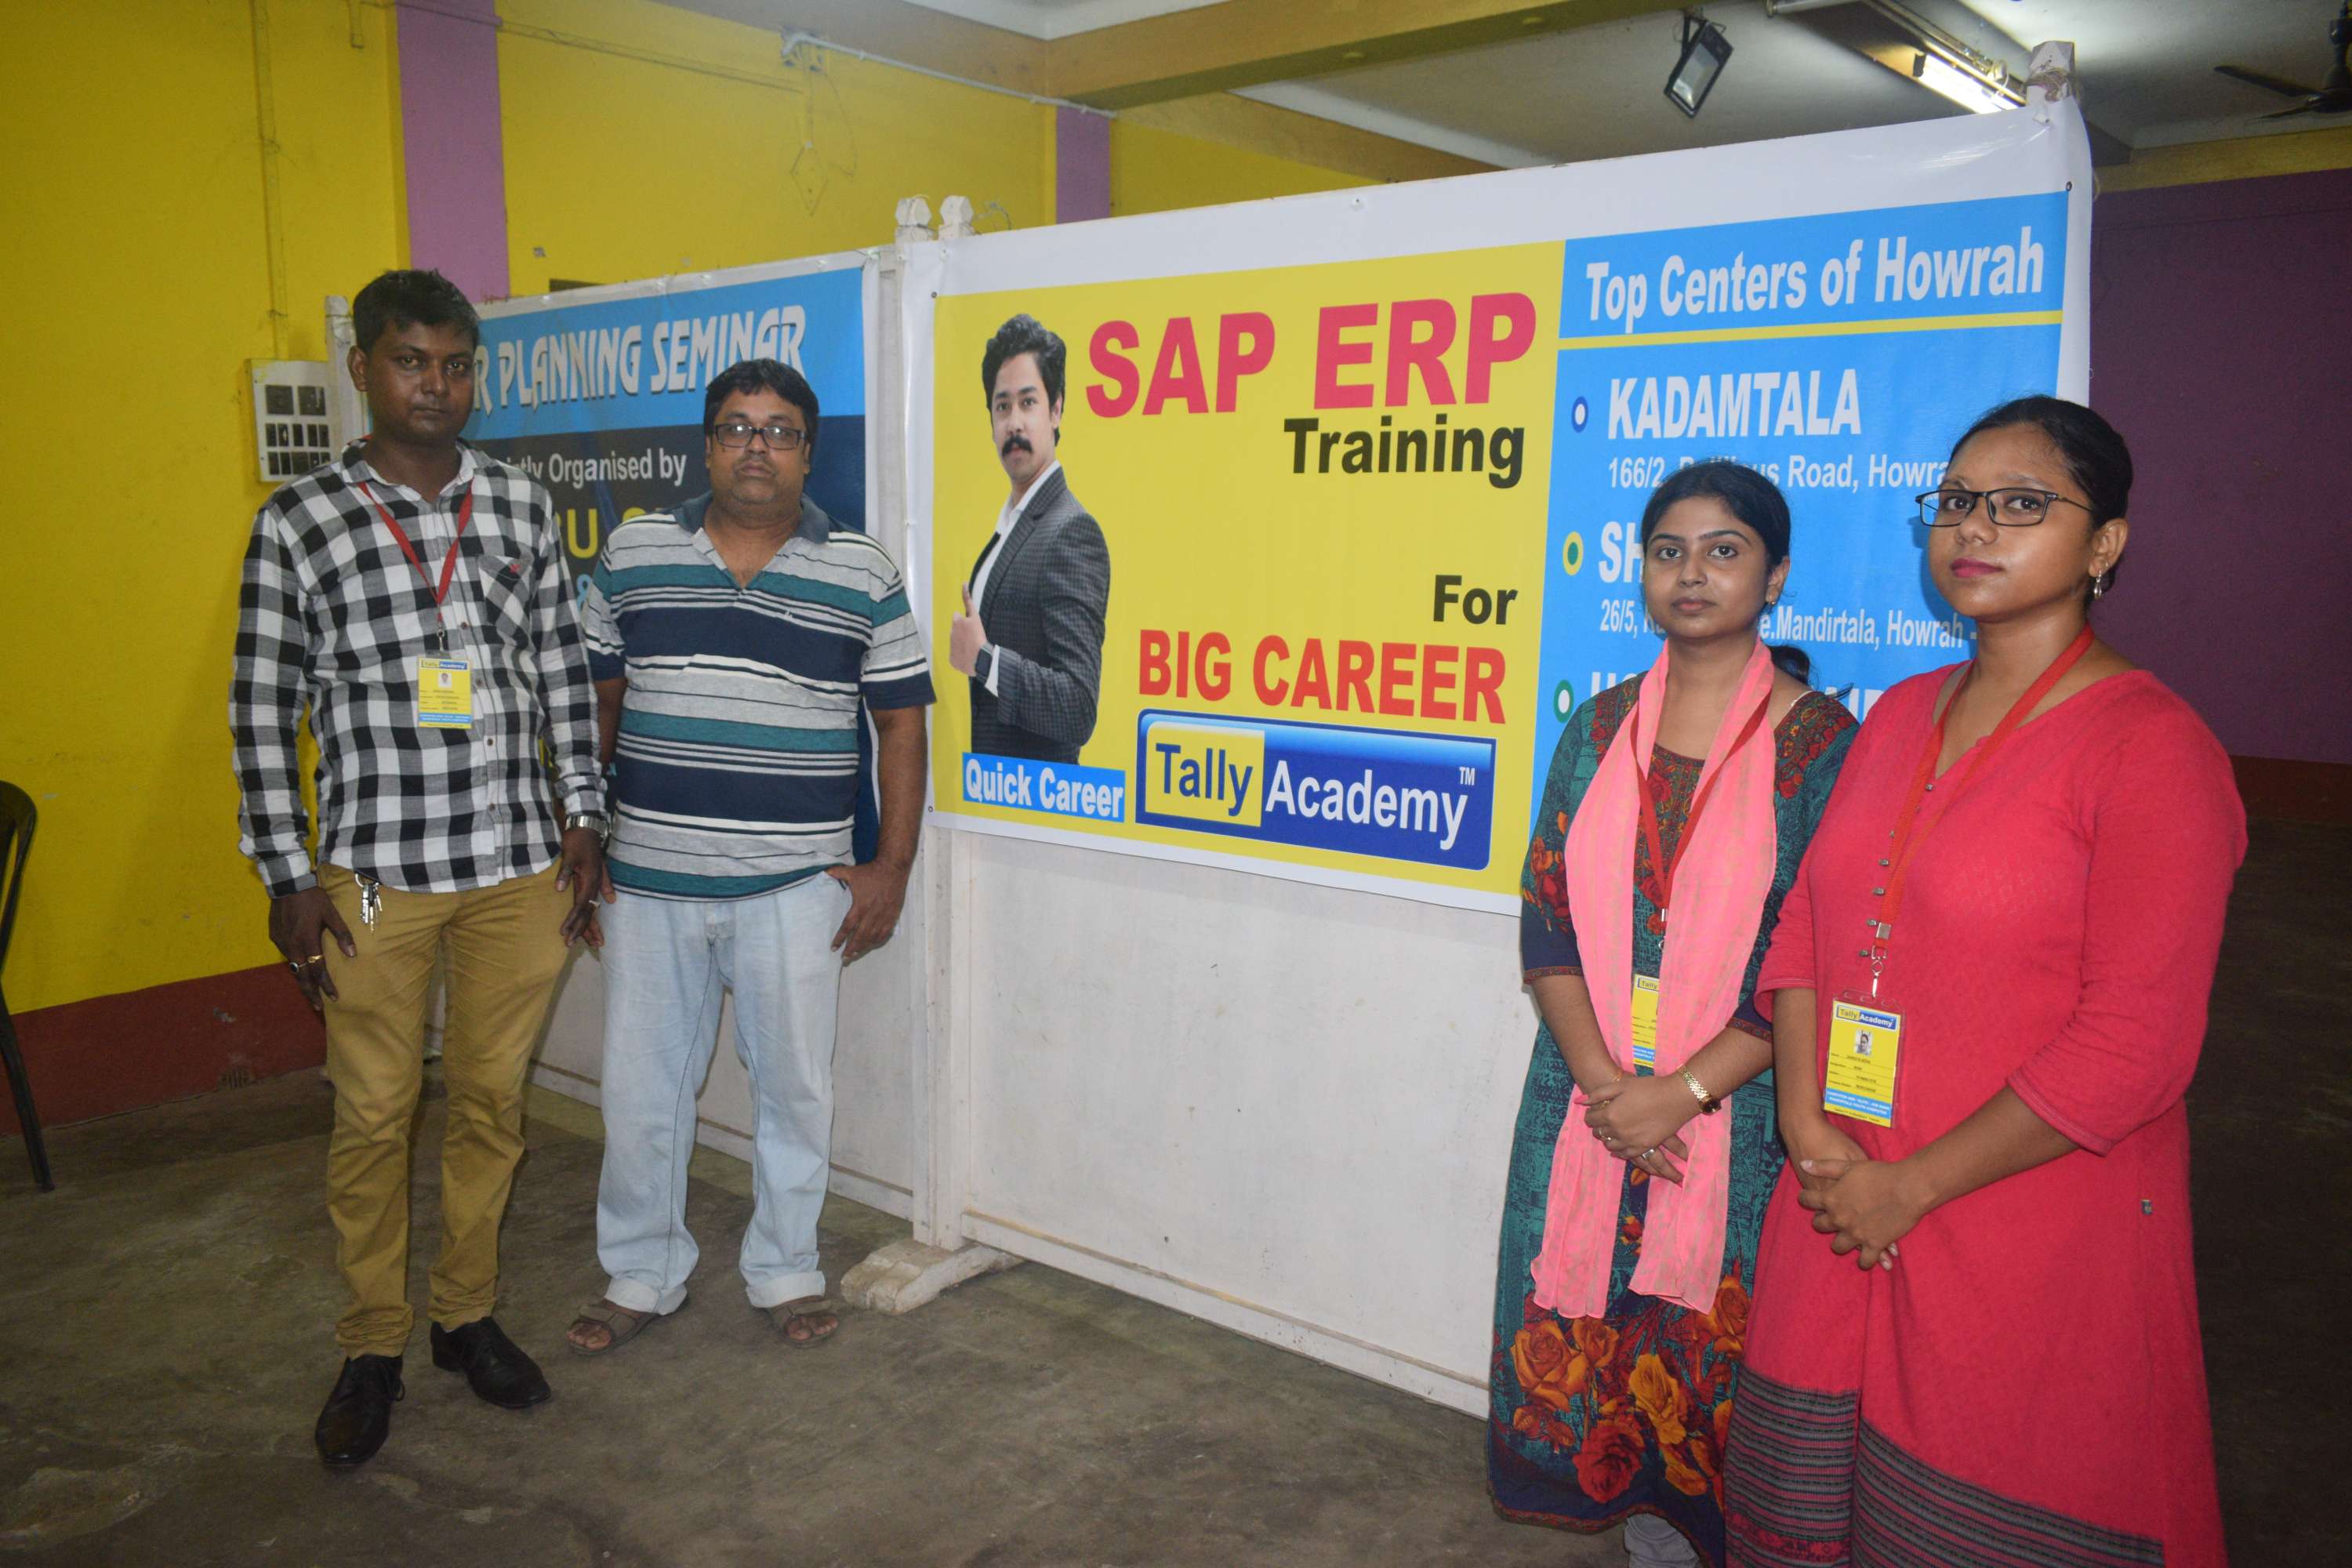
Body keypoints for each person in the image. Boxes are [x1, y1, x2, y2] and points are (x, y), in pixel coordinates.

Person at [1725, 398, 2241, 1566]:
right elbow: (1808, 927)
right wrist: (1807, 1126)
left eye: (2021, 504)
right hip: (1838, 1194)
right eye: (1957, 501)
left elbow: (2137, 1046)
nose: (1975, 527)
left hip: (2023, 1221)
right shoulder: (1901, 714)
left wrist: (1912, 1188)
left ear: (2105, 544)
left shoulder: (2153, 751)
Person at [230, 267, 608, 1468]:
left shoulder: (518, 503)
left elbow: (557, 669)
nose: (435, 386)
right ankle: (371, 1345)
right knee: (375, 1115)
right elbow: (261, 711)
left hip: (515, 868)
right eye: (409, 362)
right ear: (363, 369)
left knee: (492, 1104)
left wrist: (583, 814)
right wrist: (287, 873)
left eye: (454, 365)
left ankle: (465, 1317)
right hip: (374, 881)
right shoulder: (299, 522)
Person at [1491, 463, 1857, 1566]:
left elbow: (1808, 957)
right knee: (1594, 1345)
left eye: (1724, 550)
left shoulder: (1823, 746)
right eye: (1668, 551)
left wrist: (1682, 1094)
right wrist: (1614, 1091)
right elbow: (1546, 915)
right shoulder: (1600, 728)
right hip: (1588, 1103)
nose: (1692, 573)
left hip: (1735, 1121)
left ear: (1775, 575)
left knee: (1713, 1364)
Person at [564, 359, 933, 1357]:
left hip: (795, 883)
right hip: (648, 882)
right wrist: (583, 833)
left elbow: (901, 723)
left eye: (778, 430)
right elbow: (595, 706)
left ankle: (785, 1267)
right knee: (641, 1092)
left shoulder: (861, 570)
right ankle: (641, 1271)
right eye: (735, 427)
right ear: (707, 445)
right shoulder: (636, 551)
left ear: (809, 451)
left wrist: (890, 867)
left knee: (795, 1090)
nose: (756, 447)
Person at [946, 314, 1111, 764]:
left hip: (1041, 797)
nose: (1014, 423)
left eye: (1028, 402)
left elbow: (1078, 706)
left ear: (1056, 410)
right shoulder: (1012, 525)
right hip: (996, 788)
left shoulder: (1071, 531)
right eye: (1002, 407)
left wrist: (985, 660)